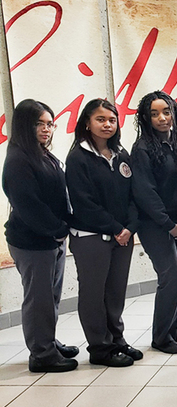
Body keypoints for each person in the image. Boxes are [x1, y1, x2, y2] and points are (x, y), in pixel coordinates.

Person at [3, 99, 79, 372]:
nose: (47, 129)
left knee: (50, 297)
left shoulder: (40, 153)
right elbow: (29, 205)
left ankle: (47, 342)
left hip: (50, 238)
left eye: (50, 124)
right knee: (39, 300)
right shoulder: (18, 160)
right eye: (40, 124)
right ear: (25, 125)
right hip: (33, 241)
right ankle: (42, 355)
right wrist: (58, 230)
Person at [66, 98, 143, 367]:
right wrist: (117, 228)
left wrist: (130, 227)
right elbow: (84, 203)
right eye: (100, 119)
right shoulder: (78, 157)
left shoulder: (121, 154)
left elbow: (134, 195)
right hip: (92, 238)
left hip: (123, 237)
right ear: (87, 123)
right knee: (93, 294)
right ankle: (100, 348)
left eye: (112, 119)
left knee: (115, 292)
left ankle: (117, 341)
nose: (107, 124)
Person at [131, 91, 177, 354]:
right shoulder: (142, 148)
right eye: (154, 113)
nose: (162, 118)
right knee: (171, 279)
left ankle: (176, 331)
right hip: (155, 224)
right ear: (146, 117)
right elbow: (145, 193)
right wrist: (169, 224)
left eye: (166, 112)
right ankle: (161, 337)